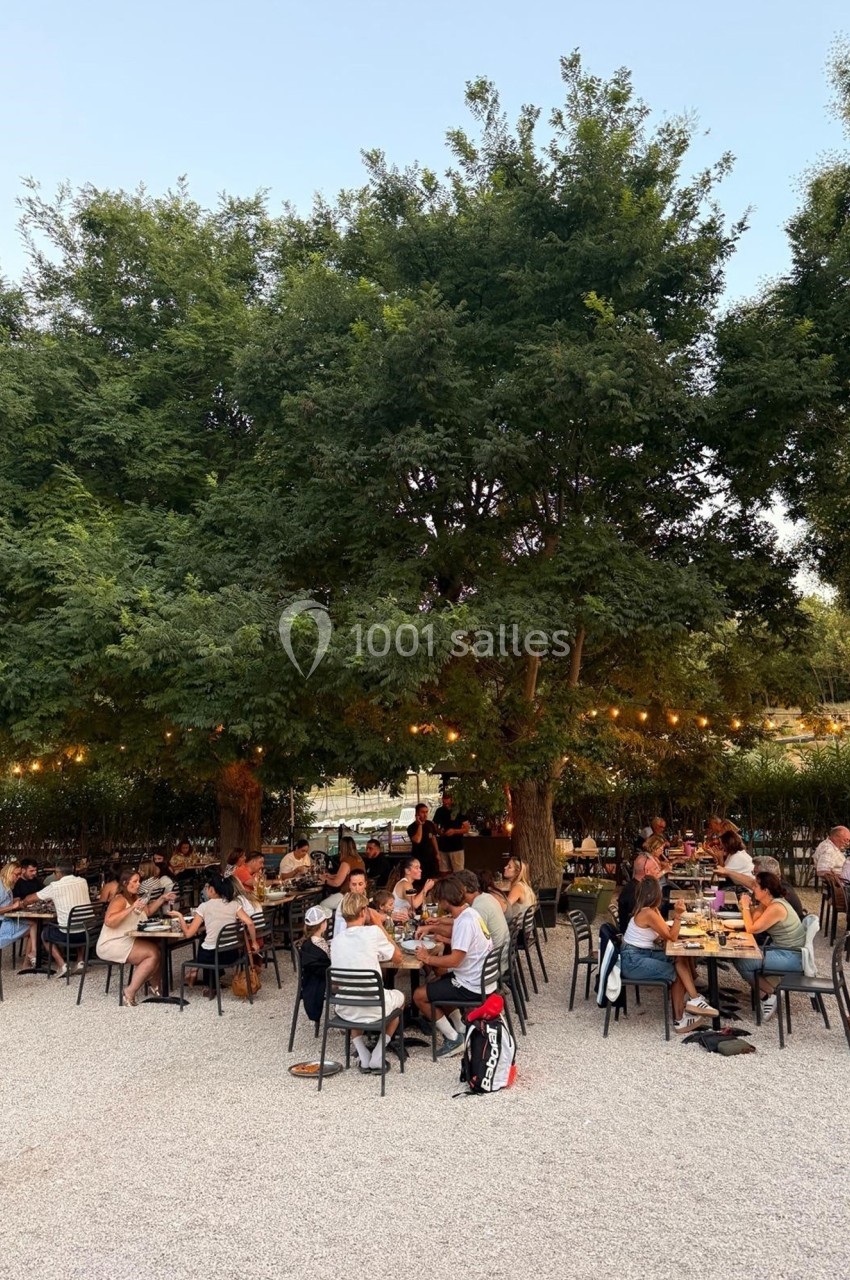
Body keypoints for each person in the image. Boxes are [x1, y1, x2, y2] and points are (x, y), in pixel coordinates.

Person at [619, 876, 719, 1034]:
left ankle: (694, 1000)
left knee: (679, 957)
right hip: (633, 961)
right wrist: (678, 915)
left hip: (642, 953)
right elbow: (671, 936)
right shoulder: (648, 913)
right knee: (676, 973)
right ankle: (680, 1020)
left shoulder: (651, 910)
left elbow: (664, 932)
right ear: (656, 894)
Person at [412, 876, 494, 1056]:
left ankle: (453, 1039)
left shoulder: (464, 921)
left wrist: (427, 958)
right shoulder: (470, 913)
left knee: (419, 995)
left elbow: (455, 960)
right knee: (439, 980)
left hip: (471, 985)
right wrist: (434, 930)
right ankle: (461, 1028)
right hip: (481, 978)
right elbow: (460, 936)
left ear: (444, 901)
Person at [330, 891, 404, 1074]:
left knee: (353, 990)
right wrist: (379, 925)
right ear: (364, 911)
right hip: (376, 1007)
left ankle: (363, 1056)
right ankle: (378, 1053)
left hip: (346, 1008)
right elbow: (398, 958)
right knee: (401, 998)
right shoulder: (372, 932)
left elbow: (337, 984)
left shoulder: (336, 941)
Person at [732, 871, 807, 1022]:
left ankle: (769, 994)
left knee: (742, 960)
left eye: (756, 886)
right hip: (781, 950)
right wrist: (758, 905)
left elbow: (752, 929)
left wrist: (746, 907)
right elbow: (755, 921)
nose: (753, 889)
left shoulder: (776, 907)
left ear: (765, 890)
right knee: (740, 955)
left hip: (791, 956)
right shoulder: (770, 903)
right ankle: (767, 994)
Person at [168, 871, 259, 993]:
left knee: (205, 945)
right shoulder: (234, 904)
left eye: (206, 887)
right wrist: (254, 942)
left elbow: (188, 933)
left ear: (212, 889)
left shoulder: (204, 907)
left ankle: (209, 985)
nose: (205, 890)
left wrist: (179, 916)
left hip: (212, 957)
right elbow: (250, 923)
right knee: (208, 940)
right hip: (232, 954)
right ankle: (210, 983)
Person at [96, 868, 176, 1004]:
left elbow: (148, 911)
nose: (138, 884)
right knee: (152, 954)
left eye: (139, 881)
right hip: (112, 942)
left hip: (128, 938)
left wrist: (162, 898)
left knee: (160, 946)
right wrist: (131, 908)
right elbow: (109, 921)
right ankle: (129, 991)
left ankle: (155, 985)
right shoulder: (119, 899)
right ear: (126, 883)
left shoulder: (136, 897)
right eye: (135, 881)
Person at [421, 869, 509, 972]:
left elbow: (458, 931)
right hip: (496, 956)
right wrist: (439, 921)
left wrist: (433, 928)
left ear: (463, 889)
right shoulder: (485, 897)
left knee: (439, 969)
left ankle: (447, 983)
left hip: (489, 964)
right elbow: (461, 925)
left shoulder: (479, 907)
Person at [23, 863, 91, 977]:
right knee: (79, 922)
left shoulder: (55, 886)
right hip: (88, 932)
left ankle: (62, 964)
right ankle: (80, 961)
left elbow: (31, 899)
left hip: (68, 934)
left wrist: (22, 902)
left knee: (45, 933)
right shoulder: (83, 881)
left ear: (58, 873)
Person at [721, 854, 805, 919]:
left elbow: (755, 925)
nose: (754, 877)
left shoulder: (779, 892)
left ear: (766, 876)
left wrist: (745, 907)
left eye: (755, 873)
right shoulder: (776, 885)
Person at [299, 904, 332, 1023]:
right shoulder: (315, 946)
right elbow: (325, 968)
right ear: (323, 925)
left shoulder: (309, 943)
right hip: (322, 981)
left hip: (316, 978)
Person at [616, 853, 665, 933]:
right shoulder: (635, 892)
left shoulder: (635, 886)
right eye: (655, 869)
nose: (658, 871)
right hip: (634, 940)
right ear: (647, 871)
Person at [0, 862, 37, 965]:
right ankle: (29, 960)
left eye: (19, 874)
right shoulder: (1, 887)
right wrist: (12, 906)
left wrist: (16, 903)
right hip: (3, 923)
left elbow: (4, 903)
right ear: (8, 872)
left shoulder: (7, 886)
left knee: (33, 925)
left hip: (6, 919)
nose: (18, 877)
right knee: (33, 927)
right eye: (16, 874)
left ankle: (31, 957)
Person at [433, 792, 470, 873]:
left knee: (458, 872)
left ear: (452, 800)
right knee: (444, 871)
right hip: (443, 846)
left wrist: (454, 831)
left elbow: (466, 828)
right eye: (444, 802)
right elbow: (435, 825)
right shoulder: (439, 811)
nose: (446, 804)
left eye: (448, 801)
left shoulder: (459, 811)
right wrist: (439, 832)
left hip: (456, 847)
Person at [406, 804, 441, 879]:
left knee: (432, 878)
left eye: (426, 812)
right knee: (420, 880)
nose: (425, 815)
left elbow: (433, 838)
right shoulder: (411, 827)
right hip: (419, 858)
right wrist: (420, 825)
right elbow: (417, 840)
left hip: (431, 857)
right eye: (422, 812)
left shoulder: (430, 824)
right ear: (417, 814)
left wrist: (437, 853)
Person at [502, 856, 536, 921]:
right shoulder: (523, 884)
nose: (505, 867)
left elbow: (506, 908)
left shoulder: (518, 887)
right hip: (522, 924)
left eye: (509, 867)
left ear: (517, 872)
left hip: (516, 927)